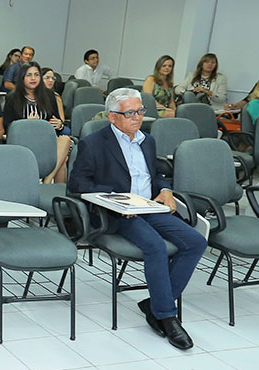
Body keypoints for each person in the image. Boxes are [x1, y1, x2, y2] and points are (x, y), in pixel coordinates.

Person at [68, 89, 207, 350]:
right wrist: (116, 200)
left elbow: (154, 175)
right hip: (118, 212)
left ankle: (154, 304)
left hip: (149, 206)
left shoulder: (147, 140)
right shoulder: (95, 143)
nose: (137, 117)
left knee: (196, 242)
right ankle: (167, 316)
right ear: (112, 116)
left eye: (140, 111)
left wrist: (165, 190)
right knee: (154, 246)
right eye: (130, 113)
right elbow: (78, 184)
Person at [3, 62, 71, 183]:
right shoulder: (13, 97)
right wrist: (26, 124)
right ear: (22, 77)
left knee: (65, 139)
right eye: (29, 75)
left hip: (47, 140)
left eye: (36, 74)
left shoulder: (49, 95)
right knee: (62, 161)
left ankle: (48, 178)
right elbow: (7, 126)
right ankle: (50, 186)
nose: (33, 78)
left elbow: (55, 119)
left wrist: (59, 124)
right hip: (24, 142)